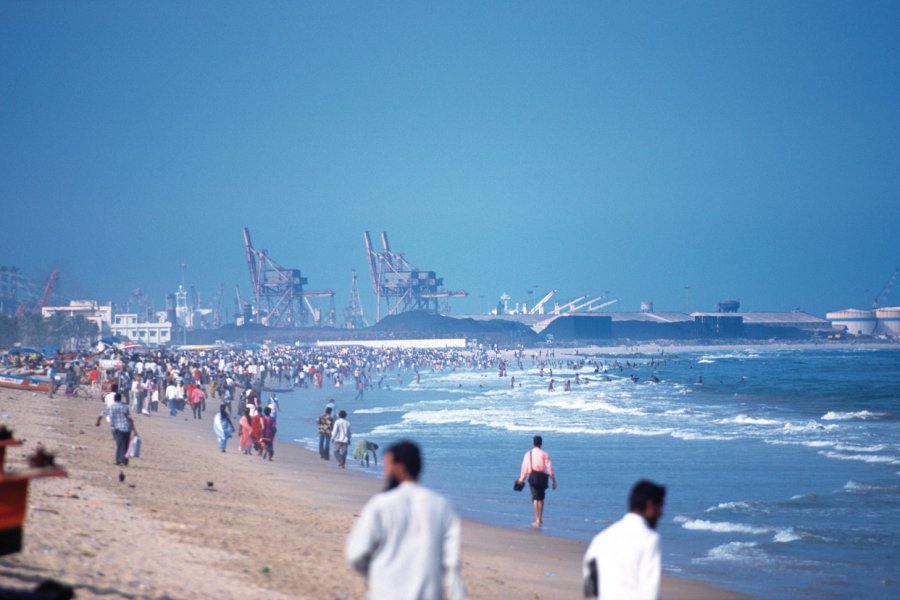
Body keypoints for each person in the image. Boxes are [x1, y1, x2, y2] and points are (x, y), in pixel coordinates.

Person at [346, 441, 464, 600]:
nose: (385, 472)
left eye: (387, 466)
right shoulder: (441, 506)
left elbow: (356, 553)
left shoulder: (381, 504)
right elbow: (451, 564)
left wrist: (376, 573)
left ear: (400, 467)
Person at [582, 480, 666, 600]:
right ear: (650, 504)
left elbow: (590, 589)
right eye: (660, 507)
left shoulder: (601, 539)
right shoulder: (649, 539)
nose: (662, 513)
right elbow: (650, 593)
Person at [515, 435, 557, 528]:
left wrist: (521, 479)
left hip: (533, 477)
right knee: (541, 498)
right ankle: (540, 518)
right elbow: (549, 469)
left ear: (533, 443)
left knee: (535, 498)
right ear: (541, 444)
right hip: (542, 477)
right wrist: (553, 480)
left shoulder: (528, 454)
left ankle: (536, 519)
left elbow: (524, 468)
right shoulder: (545, 454)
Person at [95, 392, 135, 466]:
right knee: (125, 444)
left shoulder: (111, 407)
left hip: (117, 428)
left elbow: (101, 414)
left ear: (114, 399)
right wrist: (134, 430)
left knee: (120, 444)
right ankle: (125, 460)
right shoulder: (125, 407)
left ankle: (119, 460)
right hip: (127, 428)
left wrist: (98, 422)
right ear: (120, 399)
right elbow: (130, 419)